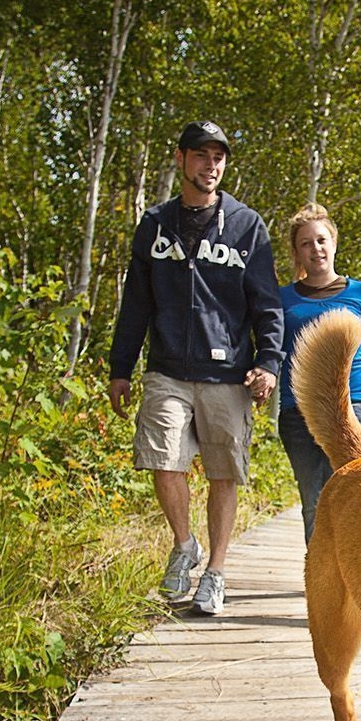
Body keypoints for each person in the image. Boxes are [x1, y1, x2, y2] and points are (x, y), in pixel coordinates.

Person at [109, 120, 282, 617]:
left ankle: (216, 572)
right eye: (202, 156)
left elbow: (267, 306)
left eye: (219, 158)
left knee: (223, 473)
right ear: (182, 160)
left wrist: (268, 362)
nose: (211, 166)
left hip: (227, 374)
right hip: (166, 367)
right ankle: (185, 544)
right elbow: (135, 302)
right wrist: (121, 366)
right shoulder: (155, 224)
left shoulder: (247, 225)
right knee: (163, 460)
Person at [276, 203, 361, 541]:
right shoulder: (283, 298)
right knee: (312, 500)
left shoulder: (359, 294)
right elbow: (271, 349)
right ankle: (320, 578)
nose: (316, 249)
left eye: (322, 240)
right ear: (297, 252)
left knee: (351, 494)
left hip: (349, 408)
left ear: (334, 243)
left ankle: (351, 577)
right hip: (296, 412)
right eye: (306, 243)